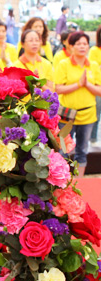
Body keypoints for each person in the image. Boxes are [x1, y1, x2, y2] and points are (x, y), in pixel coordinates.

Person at [55, 31, 101, 177]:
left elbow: (99, 90)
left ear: (89, 46)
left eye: (85, 44)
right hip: (66, 115)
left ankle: (80, 181)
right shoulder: (64, 64)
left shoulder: (93, 65)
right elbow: (58, 88)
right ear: (71, 46)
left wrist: (87, 85)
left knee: (82, 149)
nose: (82, 47)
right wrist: (78, 84)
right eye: (78, 44)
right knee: (62, 149)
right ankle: (62, 180)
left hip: (87, 114)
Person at [89, 25, 101, 145]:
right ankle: (93, 139)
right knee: (96, 114)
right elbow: (94, 68)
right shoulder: (94, 50)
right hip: (97, 86)